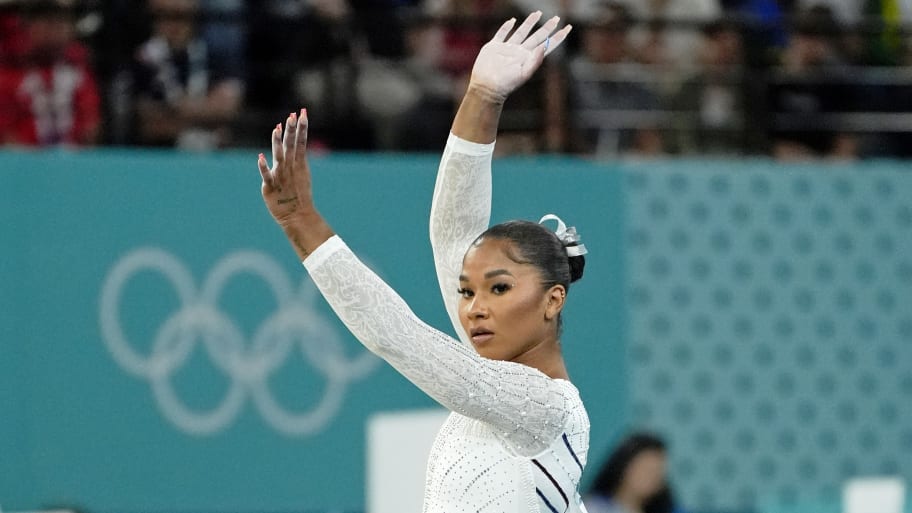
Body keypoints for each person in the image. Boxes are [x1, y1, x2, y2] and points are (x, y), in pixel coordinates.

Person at [257, 12, 591, 512]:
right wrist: (482, 96)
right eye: (467, 291)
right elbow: (453, 231)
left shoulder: (544, 407)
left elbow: (398, 336)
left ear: (552, 299)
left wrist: (303, 222)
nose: (475, 308)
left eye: (498, 289)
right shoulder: (492, 391)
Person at [0, 0, 101, 147]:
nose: (54, 29)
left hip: (74, 161)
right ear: (27, 28)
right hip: (23, 163)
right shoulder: (10, 76)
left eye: (60, 21)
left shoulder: (78, 73)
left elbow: (91, 126)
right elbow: (6, 133)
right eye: (45, 22)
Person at [585, 433, 681, 513]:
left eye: (657, 471)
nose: (651, 478)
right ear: (623, 467)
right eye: (645, 469)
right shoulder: (593, 508)